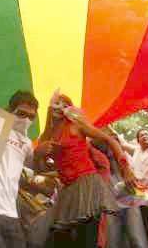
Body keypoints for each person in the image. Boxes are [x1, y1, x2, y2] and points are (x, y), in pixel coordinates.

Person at [36, 93, 127, 248]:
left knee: (85, 239)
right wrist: (39, 155)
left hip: (88, 186)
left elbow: (109, 140)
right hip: (68, 192)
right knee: (58, 240)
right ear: (50, 107)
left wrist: (126, 169)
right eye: (57, 103)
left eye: (65, 105)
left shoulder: (75, 125)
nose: (60, 108)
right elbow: (42, 168)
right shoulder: (46, 137)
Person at [0, 90, 40, 248]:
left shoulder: (28, 144)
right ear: (10, 110)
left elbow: (32, 170)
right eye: (22, 114)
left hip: (12, 213)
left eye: (31, 117)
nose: (26, 120)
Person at [115, 108, 148, 248]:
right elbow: (119, 140)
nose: (145, 136)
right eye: (141, 135)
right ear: (138, 141)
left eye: (147, 134)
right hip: (141, 195)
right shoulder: (136, 150)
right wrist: (108, 122)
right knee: (146, 231)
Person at [92, 131, 148, 248]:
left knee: (135, 233)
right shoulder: (91, 143)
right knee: (114, 233)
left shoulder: (120, 153)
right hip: (108, 189)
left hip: (125, 187)